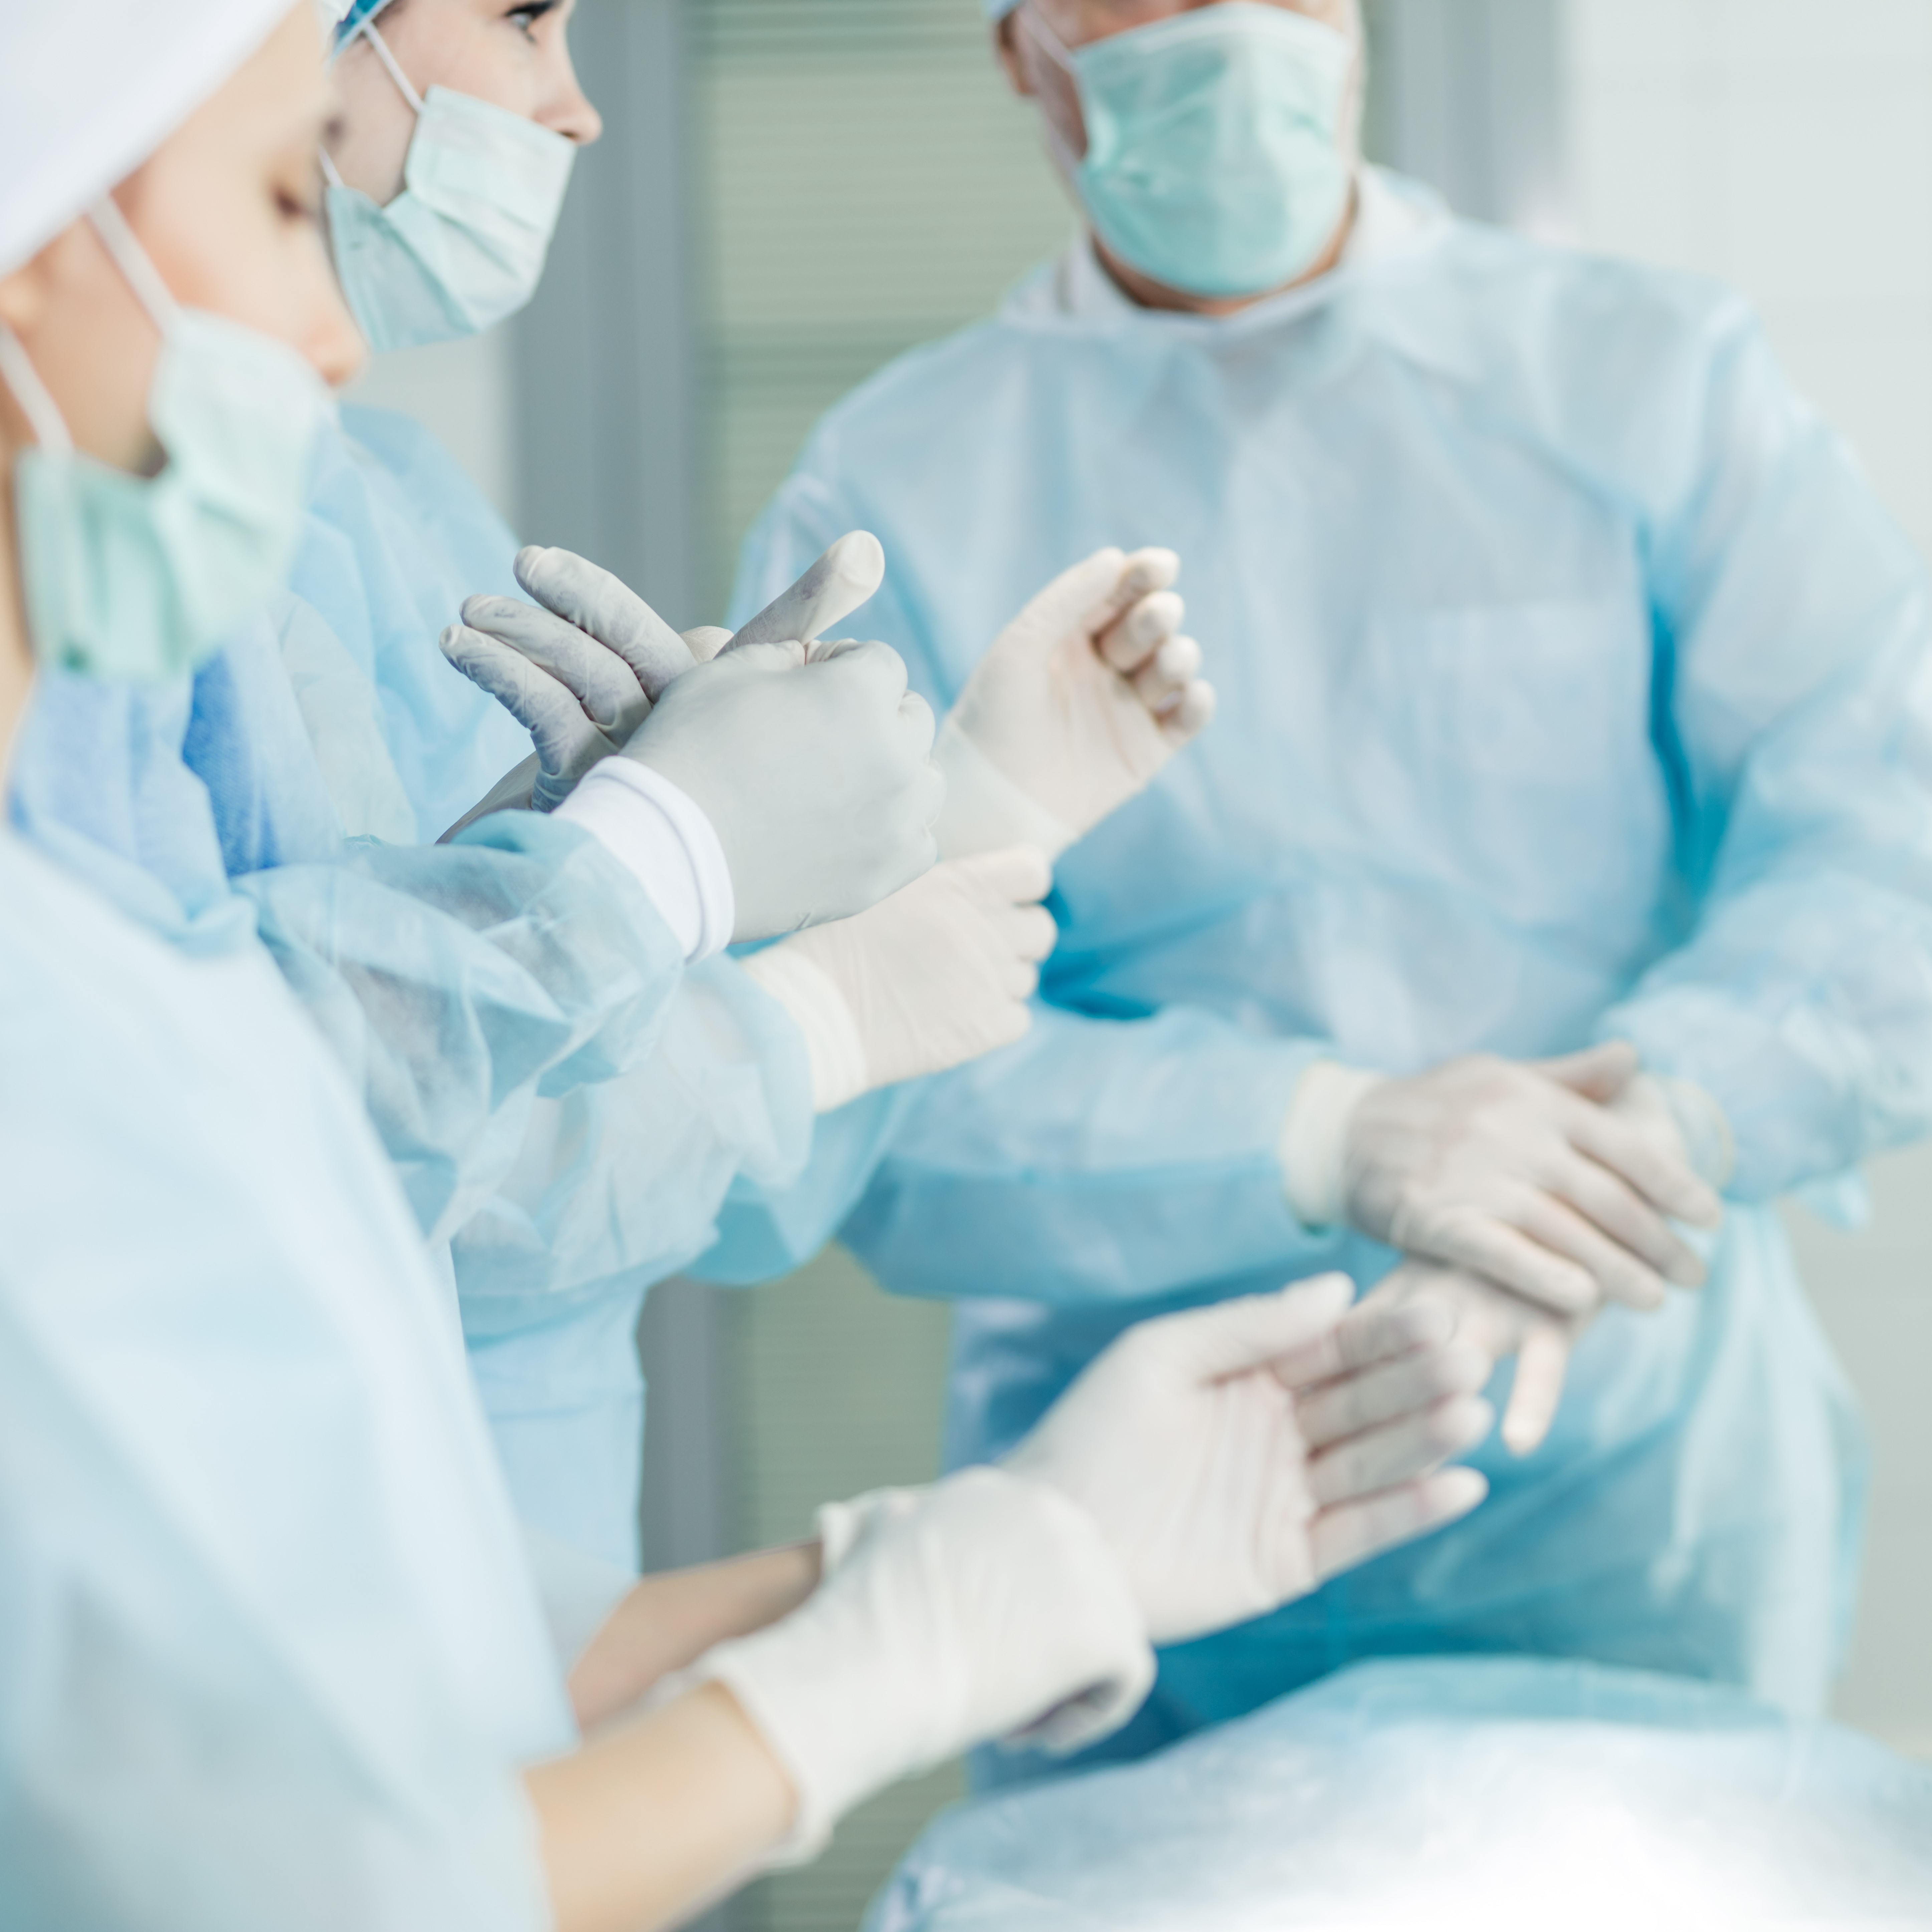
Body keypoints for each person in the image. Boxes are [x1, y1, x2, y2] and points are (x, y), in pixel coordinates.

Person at [0, 19, 1491, 1920]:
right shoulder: (75, 1017)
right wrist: (655, 891)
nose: (335, 336)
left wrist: (962, 1555)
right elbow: (323, 1864)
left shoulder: (117, 973)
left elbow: (364, 1621)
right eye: (285, 191)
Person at [729, 0, 1932, 1771]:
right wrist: (1315, 1129)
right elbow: (834, 1070)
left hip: (1630, 1502)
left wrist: (1632, 1145)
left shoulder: (1645, 381)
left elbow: (1884, 841)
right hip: (1140, 1526)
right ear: (1015, 50)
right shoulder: (899, 486)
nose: (1223, 23)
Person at [6, 0, 1212, 1570]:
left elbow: (365, 1084)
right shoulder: (158, 571)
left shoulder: (331, 515)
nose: (576, 110)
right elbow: (229, 1156)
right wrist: (694, 918)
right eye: (285, 183)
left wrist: (606, 878)